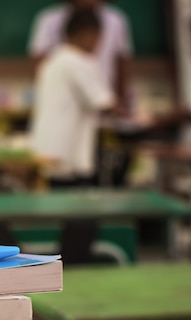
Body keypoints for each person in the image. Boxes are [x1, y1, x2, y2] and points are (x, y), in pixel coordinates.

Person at [31, 9, 121, 187]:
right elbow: (105, 103)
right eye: (99, 38)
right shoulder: (79, 62)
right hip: (68, 153)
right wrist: (142, 118)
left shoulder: (53, 60)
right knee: (74, 206)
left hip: (47, 149)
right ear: (88, 35)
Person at [28, 0, 132, 105]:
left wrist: (121, 101)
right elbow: (39, 67)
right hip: (64, 100)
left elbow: (121, 62)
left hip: (103, 98)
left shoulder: (116, 20)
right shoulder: (49, 20)